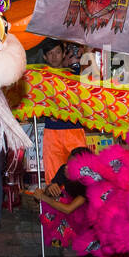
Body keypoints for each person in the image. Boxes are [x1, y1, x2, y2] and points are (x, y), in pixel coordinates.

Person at [38, 39, 88, 182]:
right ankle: (56, 204)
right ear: (44, 57)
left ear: (64, 53)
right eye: (50, 53)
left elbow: (91, 87)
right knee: (53, 177)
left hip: (74, 130)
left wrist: (88, 52)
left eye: (58, 52)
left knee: (81, 173)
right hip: (52, 132)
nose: (54, 57)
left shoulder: (75, 74)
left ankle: (79, 204)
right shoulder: (40, 78)